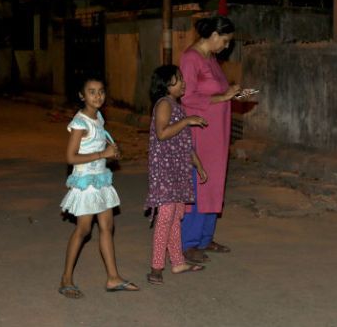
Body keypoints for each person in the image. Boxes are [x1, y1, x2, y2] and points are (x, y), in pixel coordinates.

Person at [58, 77, 139, 299]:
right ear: (82, 96)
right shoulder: (80, 123)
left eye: (101, 91)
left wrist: (112, 152)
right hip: (86, 182)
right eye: (92, 92)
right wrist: (103, 154)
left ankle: (113, 277)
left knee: (107, 227)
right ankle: (66, 278)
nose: (98, 96)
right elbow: (71, 157)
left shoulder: (99, 118)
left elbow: (99, 144)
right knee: (83, 230)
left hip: (101, 180)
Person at [179, 15, 242, 264]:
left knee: (214, 182)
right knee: (199, 182)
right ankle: (189, 242)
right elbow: (187, 98)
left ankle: (205, 237)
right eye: (225, 41)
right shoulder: (190, 58)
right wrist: (222, 98)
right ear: (214, 35)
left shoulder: (211, 59)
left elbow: (217, 92)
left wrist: (232, 94)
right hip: (201, 130)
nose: (226, 46)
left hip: (218, 132)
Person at [145, 65, 209, 285]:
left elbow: (185, 144)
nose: (183, 83)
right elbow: (162, 133)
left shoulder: (177, 106)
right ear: (165, 85)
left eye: (182, 78)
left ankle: (178, 262)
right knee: (165, 218)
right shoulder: (164, 103)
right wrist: (186, 120)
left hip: (178, 170)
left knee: (175, 218)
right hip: (165, 172)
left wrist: (198, 165)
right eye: (178, 79)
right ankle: (156, 267)